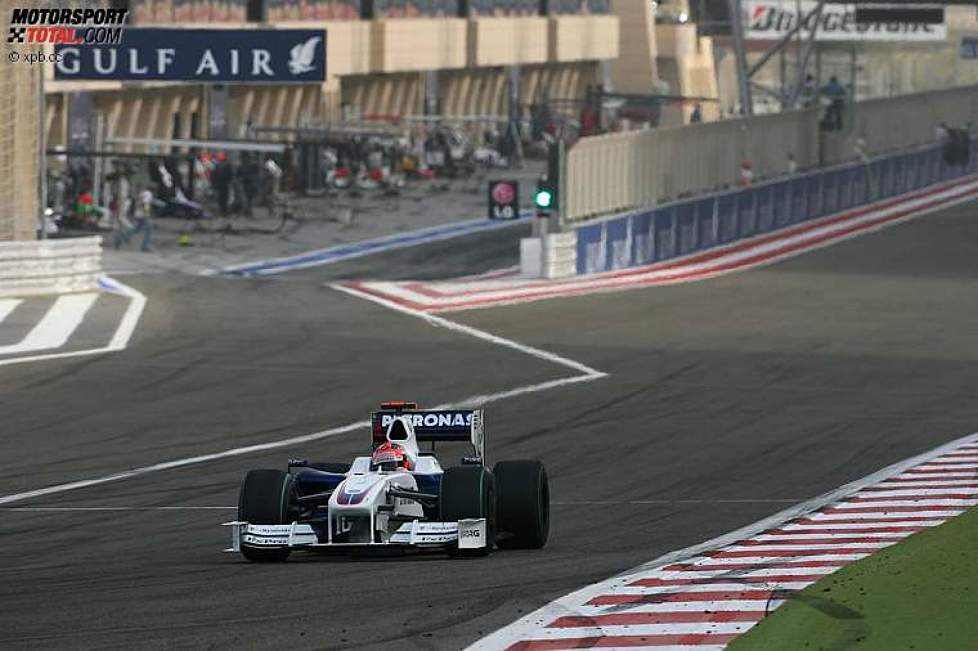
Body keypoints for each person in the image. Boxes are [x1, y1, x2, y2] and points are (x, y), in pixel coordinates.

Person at [114, 188, 154, 252]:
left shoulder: (143, 193)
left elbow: (140, 203)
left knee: (136, 229)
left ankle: (120, 239)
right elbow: (145, 204)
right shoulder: (148, 194)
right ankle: (145, 246)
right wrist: (147, 214)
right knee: (149, 230)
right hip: (143, 216)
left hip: (138, 215)